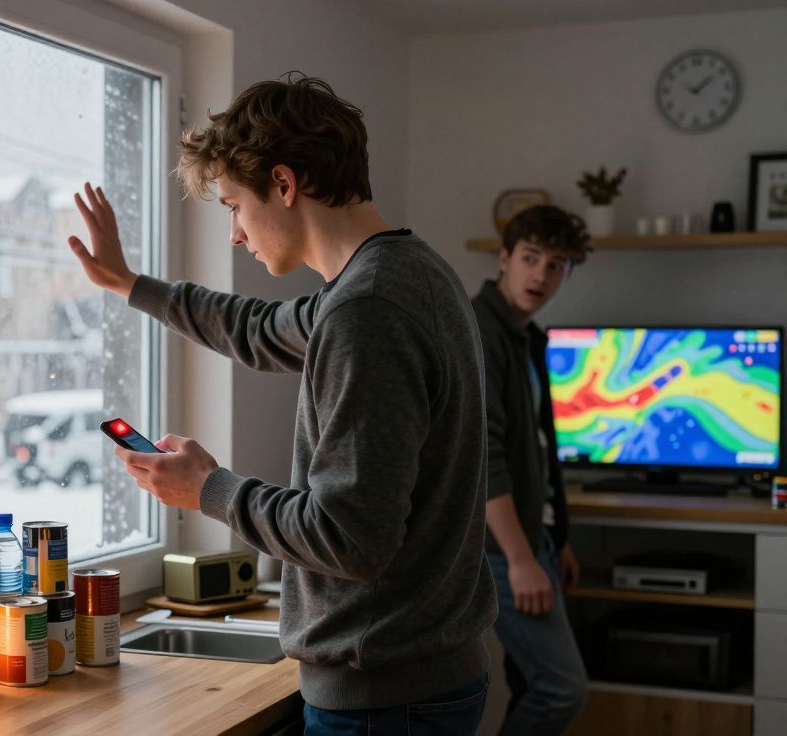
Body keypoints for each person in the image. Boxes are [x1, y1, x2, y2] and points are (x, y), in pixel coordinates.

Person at [66, 74, 496, 736]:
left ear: (285, 185)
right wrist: (130, 284)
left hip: (384, 697)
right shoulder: (404, 275)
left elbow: (350, 538)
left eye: (234, 206)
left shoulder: (367, 312)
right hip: (421, 675)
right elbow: (256, 329)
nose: (235, 234)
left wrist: (207, 489)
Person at [471, 205, 592, 735]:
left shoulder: (528, 336)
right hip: (500, 546)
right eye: (531, 258)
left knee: (530, 681)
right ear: (505, 258)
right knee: (561, 688)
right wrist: (521, 559)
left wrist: (553, 536)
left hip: (528, 534)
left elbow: (540, 447)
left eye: (557, 264)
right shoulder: (481, 330)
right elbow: (485, 455)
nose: (541, 275)